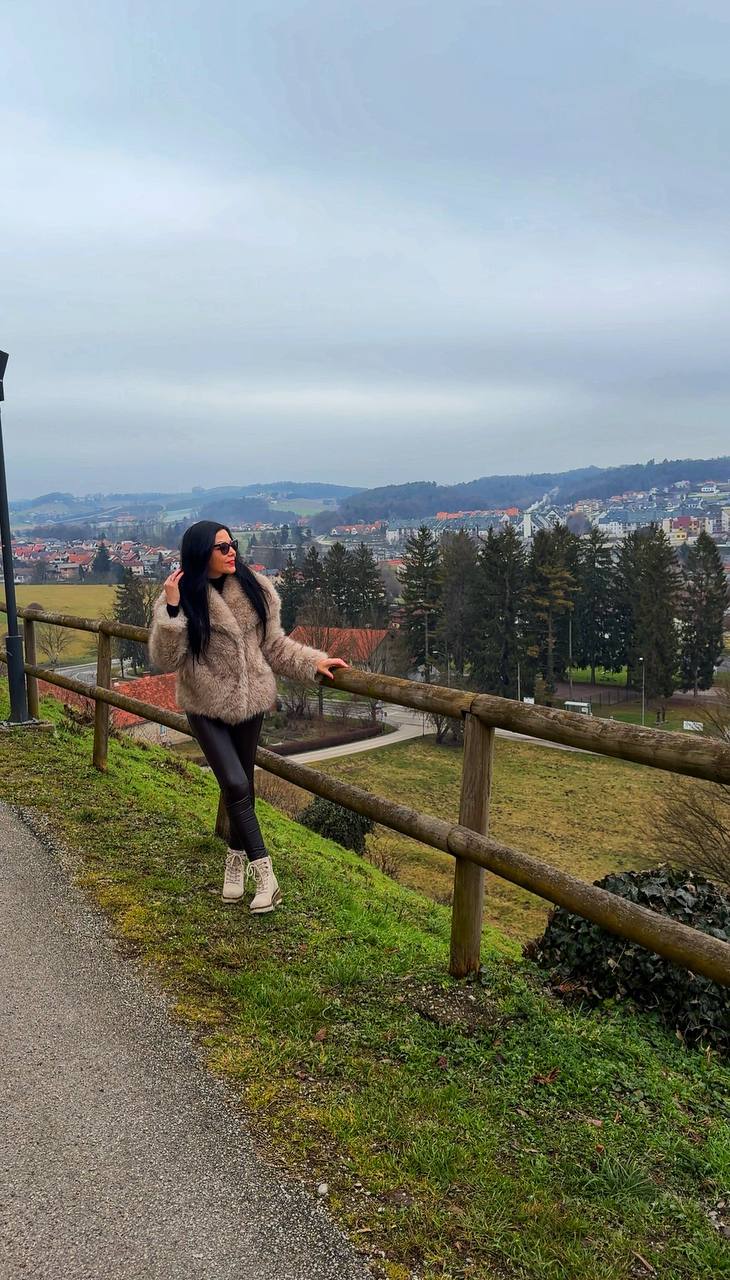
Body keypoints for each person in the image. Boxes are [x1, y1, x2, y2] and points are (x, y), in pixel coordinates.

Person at [147, 520, 348, 913]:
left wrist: (314, 663)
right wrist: (171, 610)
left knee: (243, 786)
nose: (232, 552)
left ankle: (235, 864)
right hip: (204, 704)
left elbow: (274, 646)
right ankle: (266, 876)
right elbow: (166, 659)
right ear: (201, 553)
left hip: (251, 702)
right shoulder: (180, 595)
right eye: (222, 547)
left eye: (233, 544)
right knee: (235, 782)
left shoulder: (257, 589)